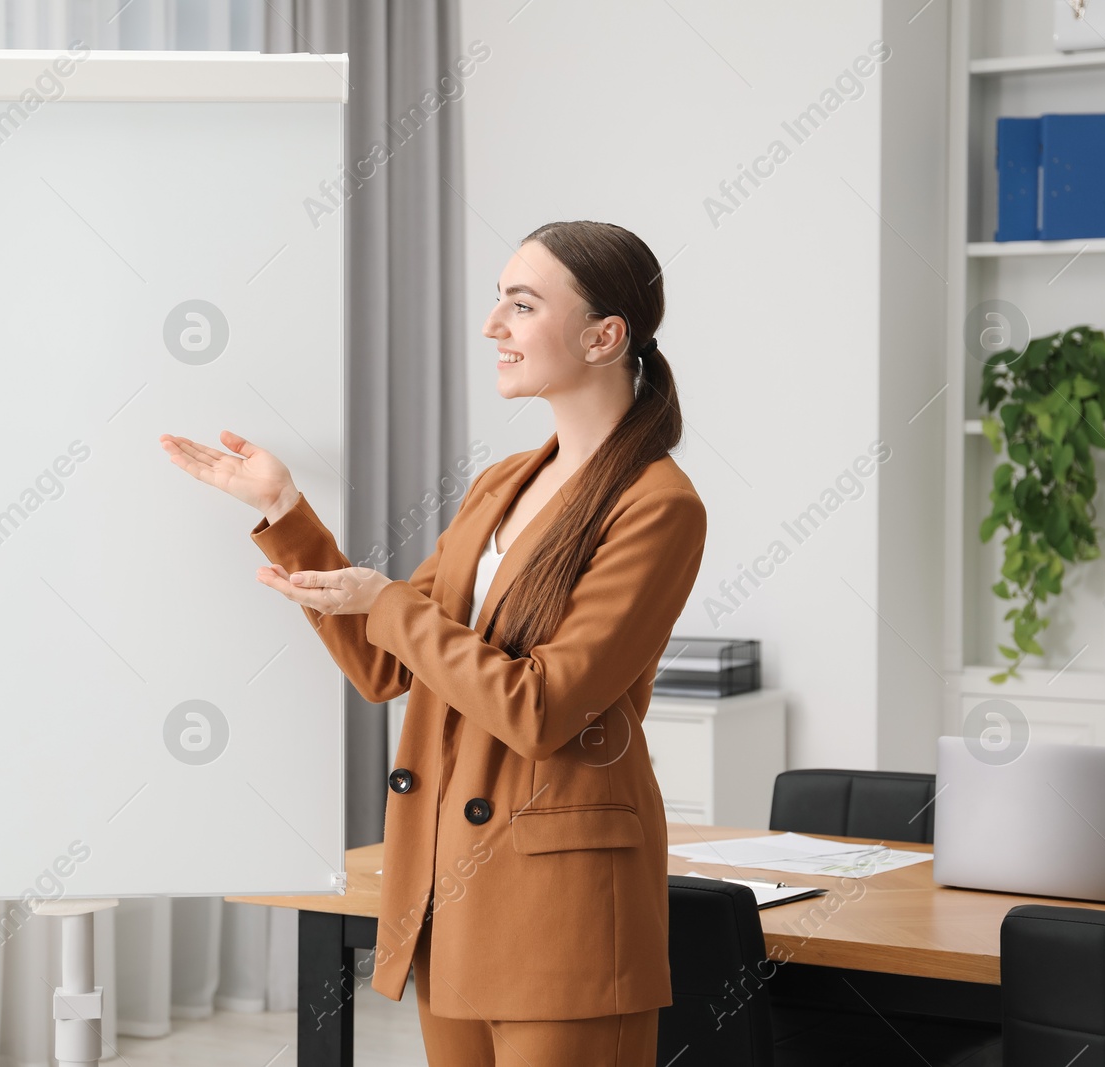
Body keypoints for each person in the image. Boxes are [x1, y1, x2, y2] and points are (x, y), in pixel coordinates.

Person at [159, 219, 706, 1066]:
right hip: (451, 896)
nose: (493, 325)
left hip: (564, 917)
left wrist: (386, 601)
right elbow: (387, 660)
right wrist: (285, 515)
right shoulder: (502, 483)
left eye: (521, 305)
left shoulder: (658, 505)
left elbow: (541, 707)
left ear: (606, 336)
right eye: (497, 301)